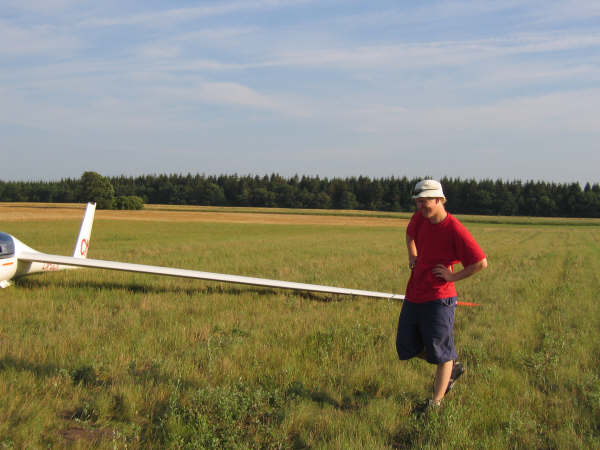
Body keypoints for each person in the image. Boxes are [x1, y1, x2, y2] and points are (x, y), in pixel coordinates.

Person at [396, 179, 487, 410]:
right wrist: (412, 255)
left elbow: (480, 262)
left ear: (439, 199)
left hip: (439, 298)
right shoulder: (420, 218)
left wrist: (452, 277)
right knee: (405, 345)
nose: (420, 206)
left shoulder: (454, 229)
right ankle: (450, 366)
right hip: (414, 293)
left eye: (425, 201)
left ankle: (435, 404)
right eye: (418, 202)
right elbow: (409, 234)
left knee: (442, 352)